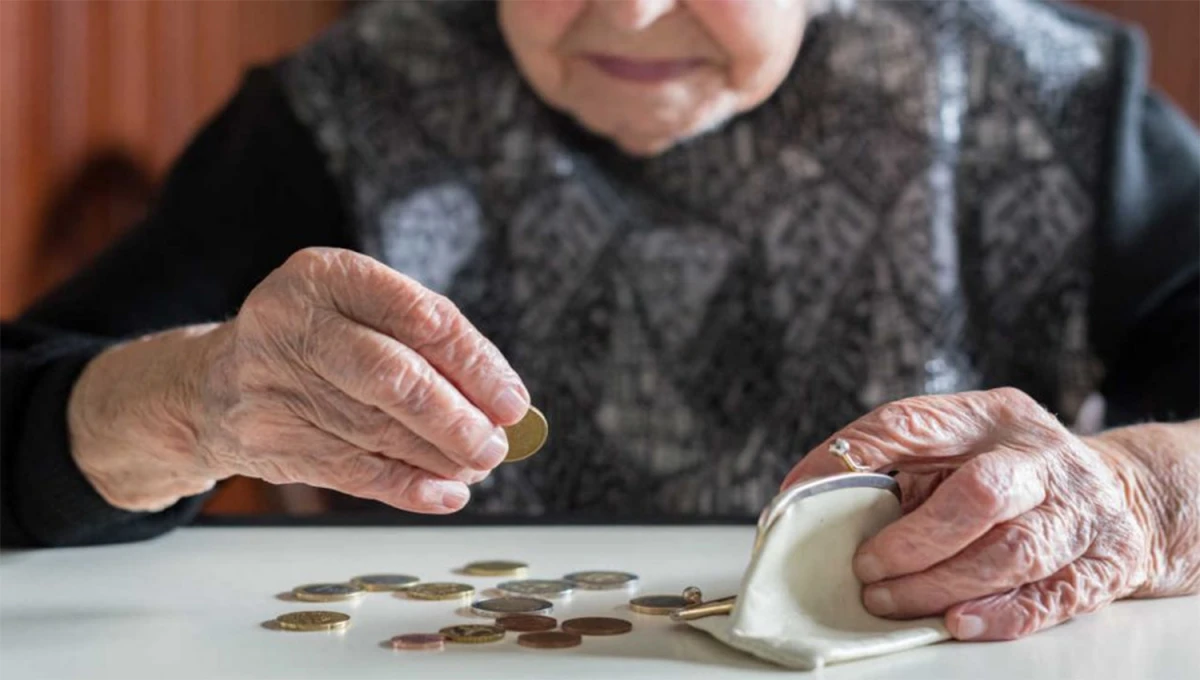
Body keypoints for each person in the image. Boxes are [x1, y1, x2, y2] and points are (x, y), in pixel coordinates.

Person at [2, 0, 1196, 643]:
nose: (627, 11)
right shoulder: (337, 110)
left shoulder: (1057, 100)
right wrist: (184, 397)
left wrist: (1145, 495)